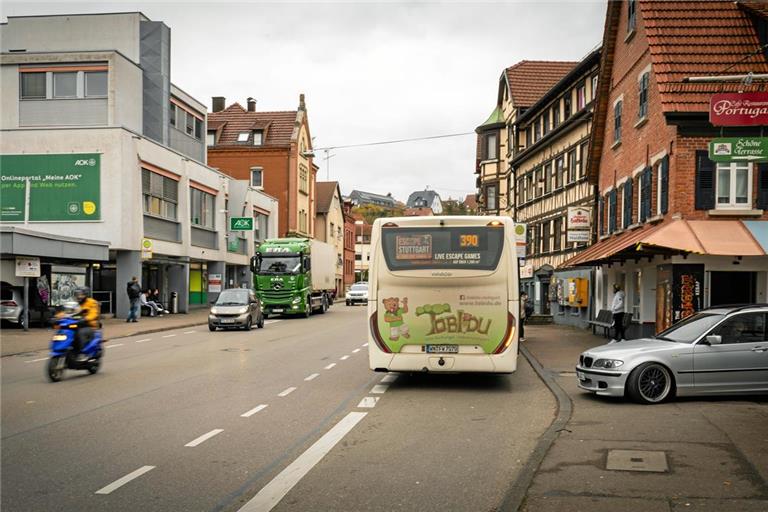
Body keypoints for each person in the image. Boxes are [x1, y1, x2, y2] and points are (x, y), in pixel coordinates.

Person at [73, 287, 101, 361]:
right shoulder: (75, 304)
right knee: (65, 331)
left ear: (86, 295)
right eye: (77, 295)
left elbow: (94, 313)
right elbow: (66, 312)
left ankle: (83, 353)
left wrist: (86, 319)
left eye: (81, 295)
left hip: (90, 325)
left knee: (81, 333)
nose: (79, 296)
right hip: (78, 324)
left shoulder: (92, 302)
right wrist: (56, 318)